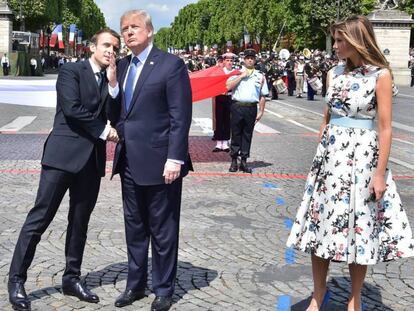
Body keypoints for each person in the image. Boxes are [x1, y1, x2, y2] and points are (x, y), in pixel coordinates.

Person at [286, 15, 414, 311]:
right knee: (320, 227)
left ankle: (354, 300)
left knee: (361, 228)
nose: (337, 46)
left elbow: (385, 127)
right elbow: (326, 118)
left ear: (358, 41)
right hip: (331, 161)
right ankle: (318, 296)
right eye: (336, 39)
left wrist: (380, 173)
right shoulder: (334, 73)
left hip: (363, 160)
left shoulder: (380, 75)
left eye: (342, 40)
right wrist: (318, 159)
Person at [7, 28, 120, 311]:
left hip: (91, 162)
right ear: (93, 46)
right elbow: (71, 109)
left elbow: (117, 114)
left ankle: (72, 279)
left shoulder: (111, 78)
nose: (111, 51)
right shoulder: (71, 71)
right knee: (39, 219)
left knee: (79, 224)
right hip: (62, 156)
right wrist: (104, 130)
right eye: (106, 45)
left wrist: (114, 84)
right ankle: (16, 280)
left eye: (115, 48)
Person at [107, 9, 192, 311]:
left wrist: (175, 158)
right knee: (135, 227)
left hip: (161, 162)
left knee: (163, 229)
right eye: (124, 28)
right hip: (128, 160)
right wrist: (113, 86)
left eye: (134, 27)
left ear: (150, 31)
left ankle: (164, 289)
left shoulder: (171, 65)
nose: (128, 32)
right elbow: (118, 112)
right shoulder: (122, 65)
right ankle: (135, 285)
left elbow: (180, 117)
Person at [226, 48, 269, 173]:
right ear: (244, 60)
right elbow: (228, 87)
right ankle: (234, 160)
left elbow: (263, 95)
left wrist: (261, 111)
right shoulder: (236, 73)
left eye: (252, 58)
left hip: (251, 107)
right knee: (235, 133)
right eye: (248, 58)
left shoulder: (260, 76)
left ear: (255, 60)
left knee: (247, 134)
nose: (250, 60)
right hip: (237, 106)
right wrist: (241, 77)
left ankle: (244, 161)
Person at [212, 53, 234, 152]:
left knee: (227, 120)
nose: (229, 62)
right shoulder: (220, 71)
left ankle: (225, 143)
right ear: (224, 61)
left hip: (230, 97)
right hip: (220, 97)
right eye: (227, 61)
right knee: (219, 119)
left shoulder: (235, 72)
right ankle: (218, 143)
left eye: (231, 61)